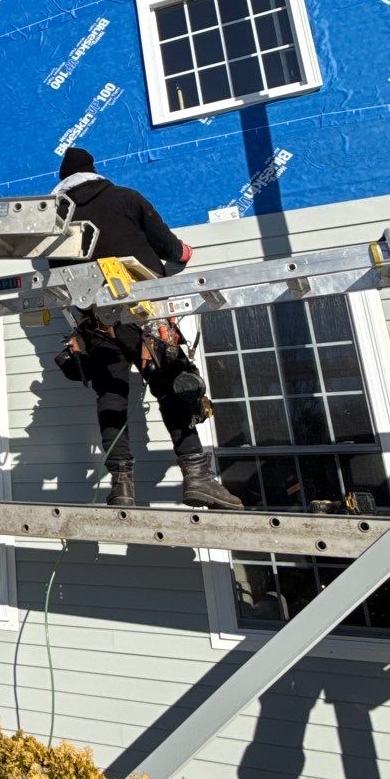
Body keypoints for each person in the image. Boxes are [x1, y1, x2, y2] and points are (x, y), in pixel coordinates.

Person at [53, 146, 243, 511]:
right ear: (94, 171)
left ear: (64, 182)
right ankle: (198, 478)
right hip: (143, 312)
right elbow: (174, 251)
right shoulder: (125, 198)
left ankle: (121, 486)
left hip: (94, 320)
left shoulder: (57, 220)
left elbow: (59, 279)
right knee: (171, 386)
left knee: (110, 394)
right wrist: (184, 253)